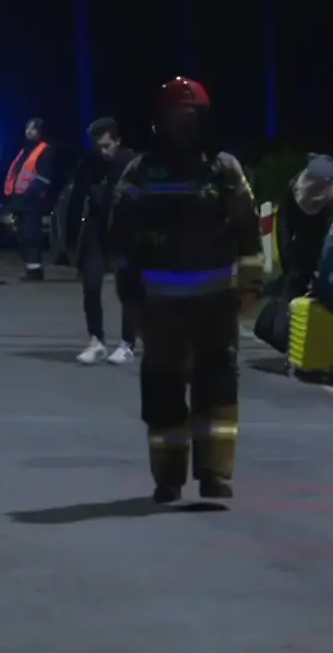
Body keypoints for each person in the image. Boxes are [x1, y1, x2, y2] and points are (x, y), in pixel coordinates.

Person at [109, 76, 265, 503]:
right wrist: (128, 289)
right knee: (163, 390)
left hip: (215, 304)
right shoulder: (141, 171)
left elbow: (250, 230)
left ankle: (215, 474)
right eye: (176, 116)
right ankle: (168, 477)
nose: (184, 125)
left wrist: (251, 284)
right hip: (160, 306)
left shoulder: (224, 168)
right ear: (160, 121)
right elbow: (121, 233)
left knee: (217, 390)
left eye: (191, 116)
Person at [75, 116, 138, 365]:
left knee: (128, 288)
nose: (103, 152)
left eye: (107, 146)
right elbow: (77, 197)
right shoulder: (89, 163)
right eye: (98, 146)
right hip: (97, 227)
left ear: (117, 141)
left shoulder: (131, 163)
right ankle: (96, 340)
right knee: (90, 283)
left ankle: (127, 343)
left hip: (125, 230)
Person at [4, 117, 55, 281]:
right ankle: (30, 268)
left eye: (33, 129)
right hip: (20, 201)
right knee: (23, 236)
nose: (29, 131)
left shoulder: (44, 151)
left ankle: (35, 271)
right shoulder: (25, 150)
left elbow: (44, 178)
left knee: (31, 236)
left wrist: (29, 193)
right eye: (28, 128)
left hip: (32, 202)